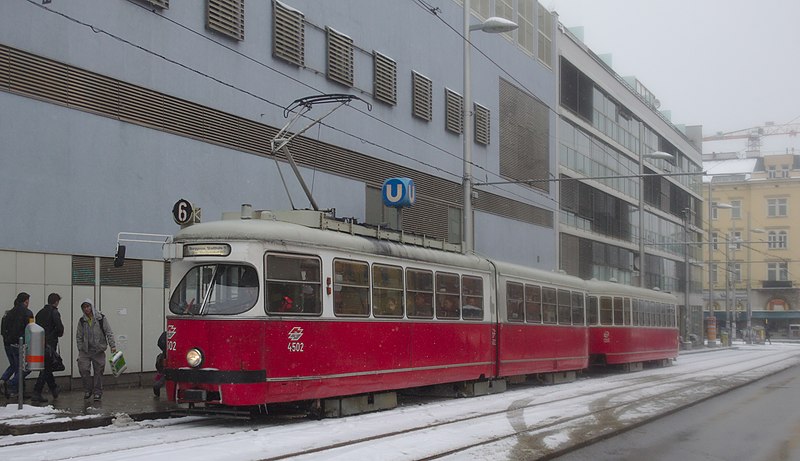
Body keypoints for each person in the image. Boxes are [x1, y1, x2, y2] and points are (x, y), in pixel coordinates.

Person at [76, 299, 116, 401]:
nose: (86, 309)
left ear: (92, 307)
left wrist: (112, 345)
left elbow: (108, 332)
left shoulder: (100, 318)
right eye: (84, 307)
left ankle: (97, 392)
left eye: (88, 306)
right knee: (83, 369)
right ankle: (88, 389)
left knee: (98, 371)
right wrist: (80, 348)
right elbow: (79, 336)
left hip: (98, 350)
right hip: (85, 350)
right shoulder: (82, 321)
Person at [31, 293, 65, 403]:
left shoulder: (40, 313)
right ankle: (37, 391)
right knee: (46, 368)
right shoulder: (54, 312)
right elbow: (60, 328)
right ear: (56, 302)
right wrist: (57, 333)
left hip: (40, 343)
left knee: (47, 366)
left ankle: (54, 388)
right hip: (50, 343)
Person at [1, 292, 34, 398]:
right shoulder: (28, 313)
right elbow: (31, 329)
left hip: (8, 344)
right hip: (21, 344)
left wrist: (8, 339)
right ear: (26, 301)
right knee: (26, 368)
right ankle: (10, 385)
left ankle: (4, 382)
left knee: (15, 366)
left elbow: (3, 330)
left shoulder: (8, 313)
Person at [153, 331, 167, 397]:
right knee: (165, 375)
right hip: (169, 360)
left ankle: (156, 387)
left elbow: (160, 343)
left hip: (164, 358)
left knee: (162, 375)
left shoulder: (166, 334)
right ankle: (156, 386)